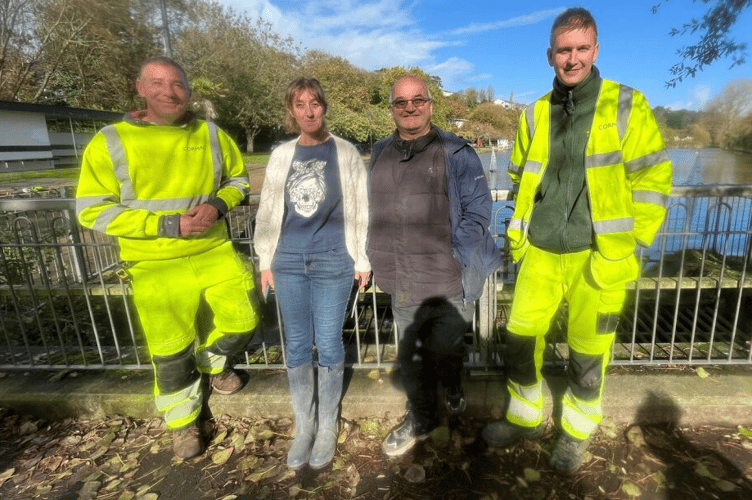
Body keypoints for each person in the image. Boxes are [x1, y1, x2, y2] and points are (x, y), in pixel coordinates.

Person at [481, 8, 672, 475]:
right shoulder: (533, 114)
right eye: (564, 50)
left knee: (589, 354)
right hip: (540, 251)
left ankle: (575, 433)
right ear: (550, 55)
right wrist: (519, 231)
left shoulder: (626, 104)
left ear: (596, 50)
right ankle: (525, 417)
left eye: (581, 48)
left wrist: (633, 238)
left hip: (599, 256)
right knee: (520, 340)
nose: (572, 59)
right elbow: (520, 174)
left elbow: (654, 175)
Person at [76, 56, 260, 460]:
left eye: (177, 84)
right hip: (153, 263)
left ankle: (211, 363)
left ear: (189, 91)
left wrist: (216, 206)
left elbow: (239, 179)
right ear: (140, 88)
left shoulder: (211, 134)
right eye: (158, 83)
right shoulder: (111, 140)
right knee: (170, 348)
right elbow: (91, 209)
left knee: (245, 316)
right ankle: (182, 423)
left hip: (213, 250)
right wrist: (165, 226)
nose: (169, 91)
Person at [369, 74, 502, 457]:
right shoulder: (380, 152)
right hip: (401, 275)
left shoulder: (457, 152)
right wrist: (372, 255)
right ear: (392, 108)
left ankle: (454, 385)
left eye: (417, 100)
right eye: (400, 102)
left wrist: (456, 253)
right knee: (411, 360)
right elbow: (371, 209)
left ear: (430, 104)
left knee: (447, 351)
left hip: (449, 278)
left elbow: (478, 211)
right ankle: (421, 417)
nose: (409, 107)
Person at [253, 77, 371, 470]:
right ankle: (305, 425)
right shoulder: (281, 155)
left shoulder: (347, 152)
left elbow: (360, 208)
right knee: (299, 345)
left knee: (330, 343)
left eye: (314, 103)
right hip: (287, 260)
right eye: (300, 104)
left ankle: (327, 426)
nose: (308, 110)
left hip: (332, 259)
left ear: (324, 107)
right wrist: (265, 260)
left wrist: (362, 259)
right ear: (291, 111)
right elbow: (269, 209)